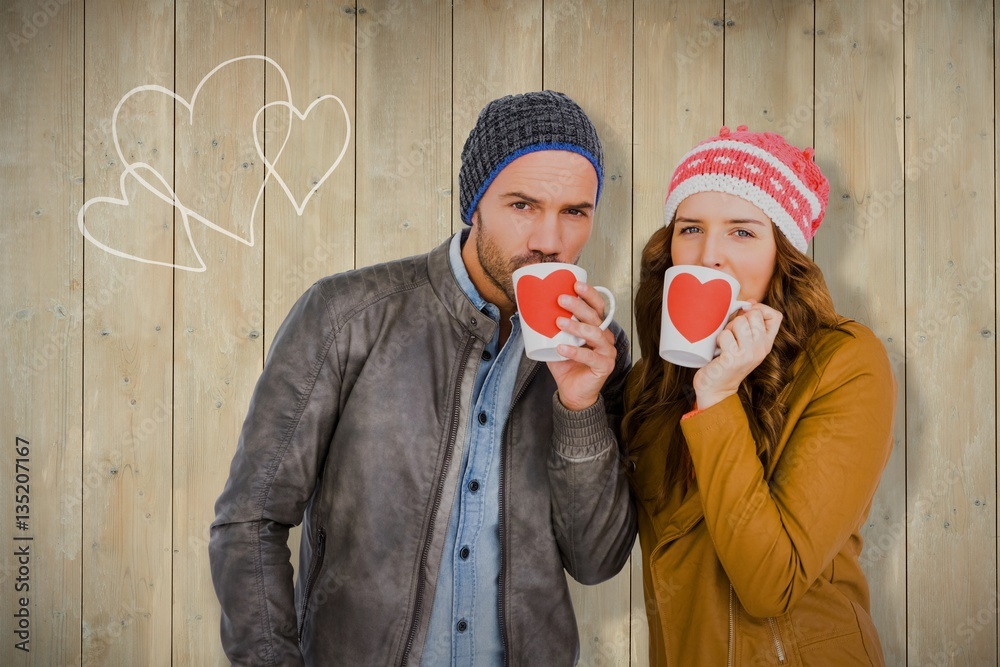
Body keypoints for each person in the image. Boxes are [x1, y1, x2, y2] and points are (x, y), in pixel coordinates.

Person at [209, 90, 636, 666]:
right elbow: (250, 520)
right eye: (522, 205)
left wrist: (579, 407)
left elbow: (596, 561)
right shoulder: (347, 316)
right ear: (475, 202)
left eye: (574, 212)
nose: (549, 241)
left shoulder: (598, 351)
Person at [623, 126, 895, 665]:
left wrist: (719, 395)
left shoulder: (845, 361)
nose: (708, 256)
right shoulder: (650, 382)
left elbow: (770, 585)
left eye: (742, 232)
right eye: (690, 228)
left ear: (783, 253)